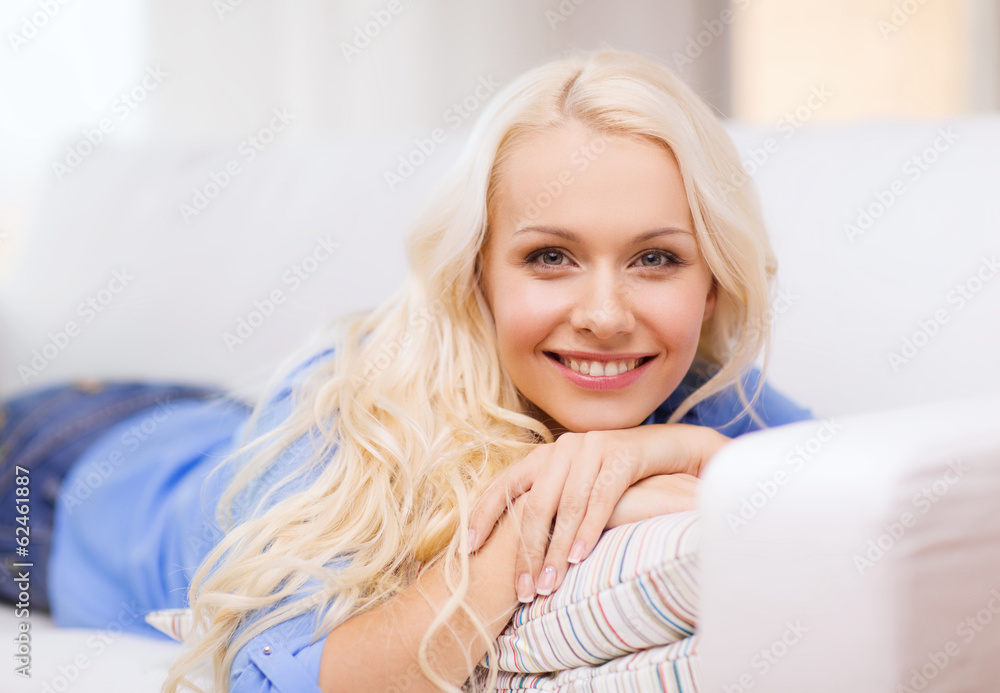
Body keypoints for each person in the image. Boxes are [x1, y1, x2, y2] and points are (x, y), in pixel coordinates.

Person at [0, 48, 813, 693]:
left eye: (656, 257)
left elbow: (876, 494)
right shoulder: (357, 404)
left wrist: (674, 456)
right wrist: (532, 528)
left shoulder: (700, 391)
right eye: (551, 256)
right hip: (62, 474)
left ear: (711, 286)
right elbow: (269, 676)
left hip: (218, 423)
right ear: (477, 276)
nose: (605, 313)